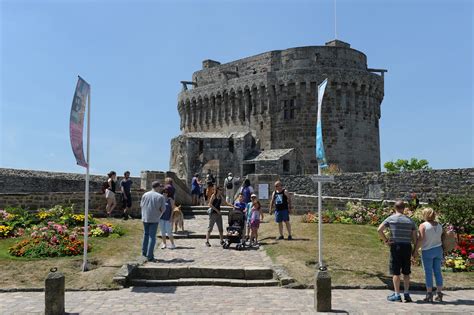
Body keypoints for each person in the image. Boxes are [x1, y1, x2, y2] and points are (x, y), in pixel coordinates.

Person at [377, 200, 417, 302]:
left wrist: (386, 240)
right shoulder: (410, 221)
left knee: (396, 272)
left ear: (395, 208)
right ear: (404, 208)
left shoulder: (391, 219)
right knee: (406, 272)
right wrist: (415, 249)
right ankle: (407, 294)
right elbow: (414, 238)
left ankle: (397, 294)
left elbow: (379, 229)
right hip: (407, 247)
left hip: (396, 246)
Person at [412, 208, 444, 302]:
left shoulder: (423, 225)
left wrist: (415, 250)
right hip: (438, 250)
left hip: (428, 250)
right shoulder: (439, 225)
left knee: (428, 273)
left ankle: (429, 294)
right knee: (438, 272)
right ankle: (439, 293)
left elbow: (421, 239)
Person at [140, 181, 166, 262]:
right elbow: (163, 209)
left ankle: (144, 252)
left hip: (145, 217)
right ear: (158, 187)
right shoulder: (160, 197)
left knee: (146, 234)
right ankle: (150, 256)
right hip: (154, 218)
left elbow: (141, 205)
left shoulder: (145, 194)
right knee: (152, 237)